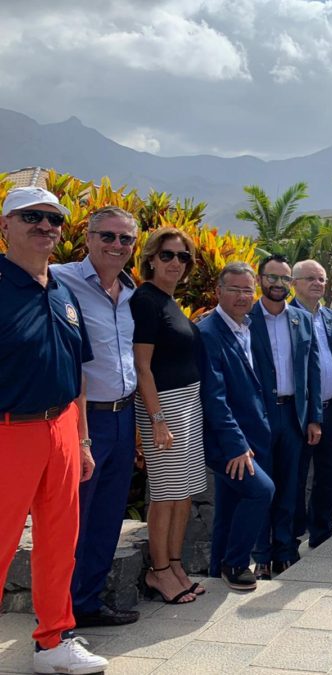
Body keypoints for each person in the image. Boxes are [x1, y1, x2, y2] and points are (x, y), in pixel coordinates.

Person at [0, 187, 109, 674]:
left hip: (62, 429)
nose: (45, 226)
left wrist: (82, 440)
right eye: (32, 217)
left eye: (54, 219)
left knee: (59, 542)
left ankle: (54, 640)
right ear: (6, 225)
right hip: (8, 433)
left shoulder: (63, 291)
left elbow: (78, 371)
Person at [52, 207, 140, 628]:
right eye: (108, 236)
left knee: (106, 516)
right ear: (87, 238)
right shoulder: (59, 280)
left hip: (124, 417)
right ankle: (60, 612)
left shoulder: (131, 291)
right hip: (82, 421)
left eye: (126, 240)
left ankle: (87, 602)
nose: (116, 246)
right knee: (74, 519)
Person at [131, 226, 207, 605]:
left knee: (184, 494)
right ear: (150, 259)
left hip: (188, 404)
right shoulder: (145, 301)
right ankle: (158, 572)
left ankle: (174, 565)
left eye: (182, 257)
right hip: (165, 406)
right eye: (167, 255)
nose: (175, 263)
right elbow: (142, 367)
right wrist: (157, 420)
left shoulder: (169, 300)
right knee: (164, 495)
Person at [197, 262, 275, 592]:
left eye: (248, 289)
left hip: (252, 435)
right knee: (261, 491)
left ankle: (217, 569)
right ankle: (236, 562)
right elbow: (214, 398)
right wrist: (236, 446)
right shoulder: (208, 333)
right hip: (227, 443)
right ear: (218, 292)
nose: (243, 296)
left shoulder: (248, 326)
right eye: (235, 289)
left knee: (229, 505)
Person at [248, 255, 321, 579]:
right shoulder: (246, 318)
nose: (277, 284)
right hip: (260, 415)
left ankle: (285, 551)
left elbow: (313, 370)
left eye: (283, 278)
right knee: (263, 487)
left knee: (290, 486)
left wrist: (315, 417)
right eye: (271, 277)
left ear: (291, 283)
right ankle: (261, 555)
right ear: (260, 279)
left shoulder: (301, 319)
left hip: (294, 415)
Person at [290, 260, 332, 549]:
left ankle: (321, 533)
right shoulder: (286, 317)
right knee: (294, 476)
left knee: (330, 474)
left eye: (321, 279)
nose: (318, 283)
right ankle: (290, 537)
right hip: (298, 413)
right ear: (294, 283)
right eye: (310, 279)